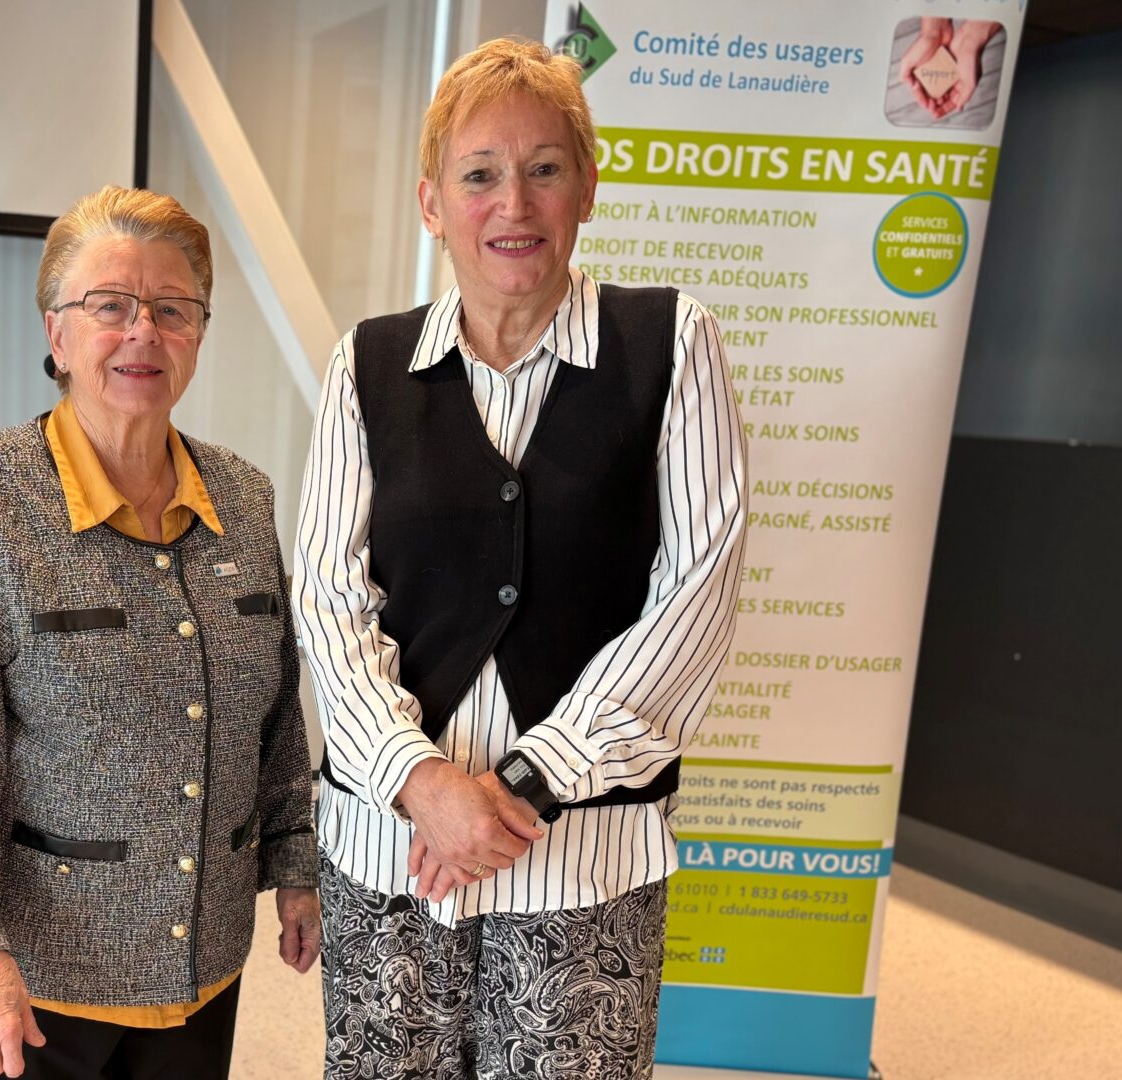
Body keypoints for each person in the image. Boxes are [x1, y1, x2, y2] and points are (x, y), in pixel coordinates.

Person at [294, 38, 748, 1080]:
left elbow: (697, 593)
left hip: (584, 858)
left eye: (544, 168)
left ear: (587, 188)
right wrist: (419, 781)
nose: (514, 203)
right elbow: (327, 597)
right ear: (431, 203)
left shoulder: (672, 344)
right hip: (393, 851)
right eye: (479, 175)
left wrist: (530, 783)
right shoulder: (366, 364)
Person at [0, 186, 318, 1080]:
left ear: (199, 333)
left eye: (172, 309)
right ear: (57, 333)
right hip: (36, 983)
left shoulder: (244, 497)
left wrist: (295, 860)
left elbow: (273, 710)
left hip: (205, 962)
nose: (143, 332)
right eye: (111, 306)